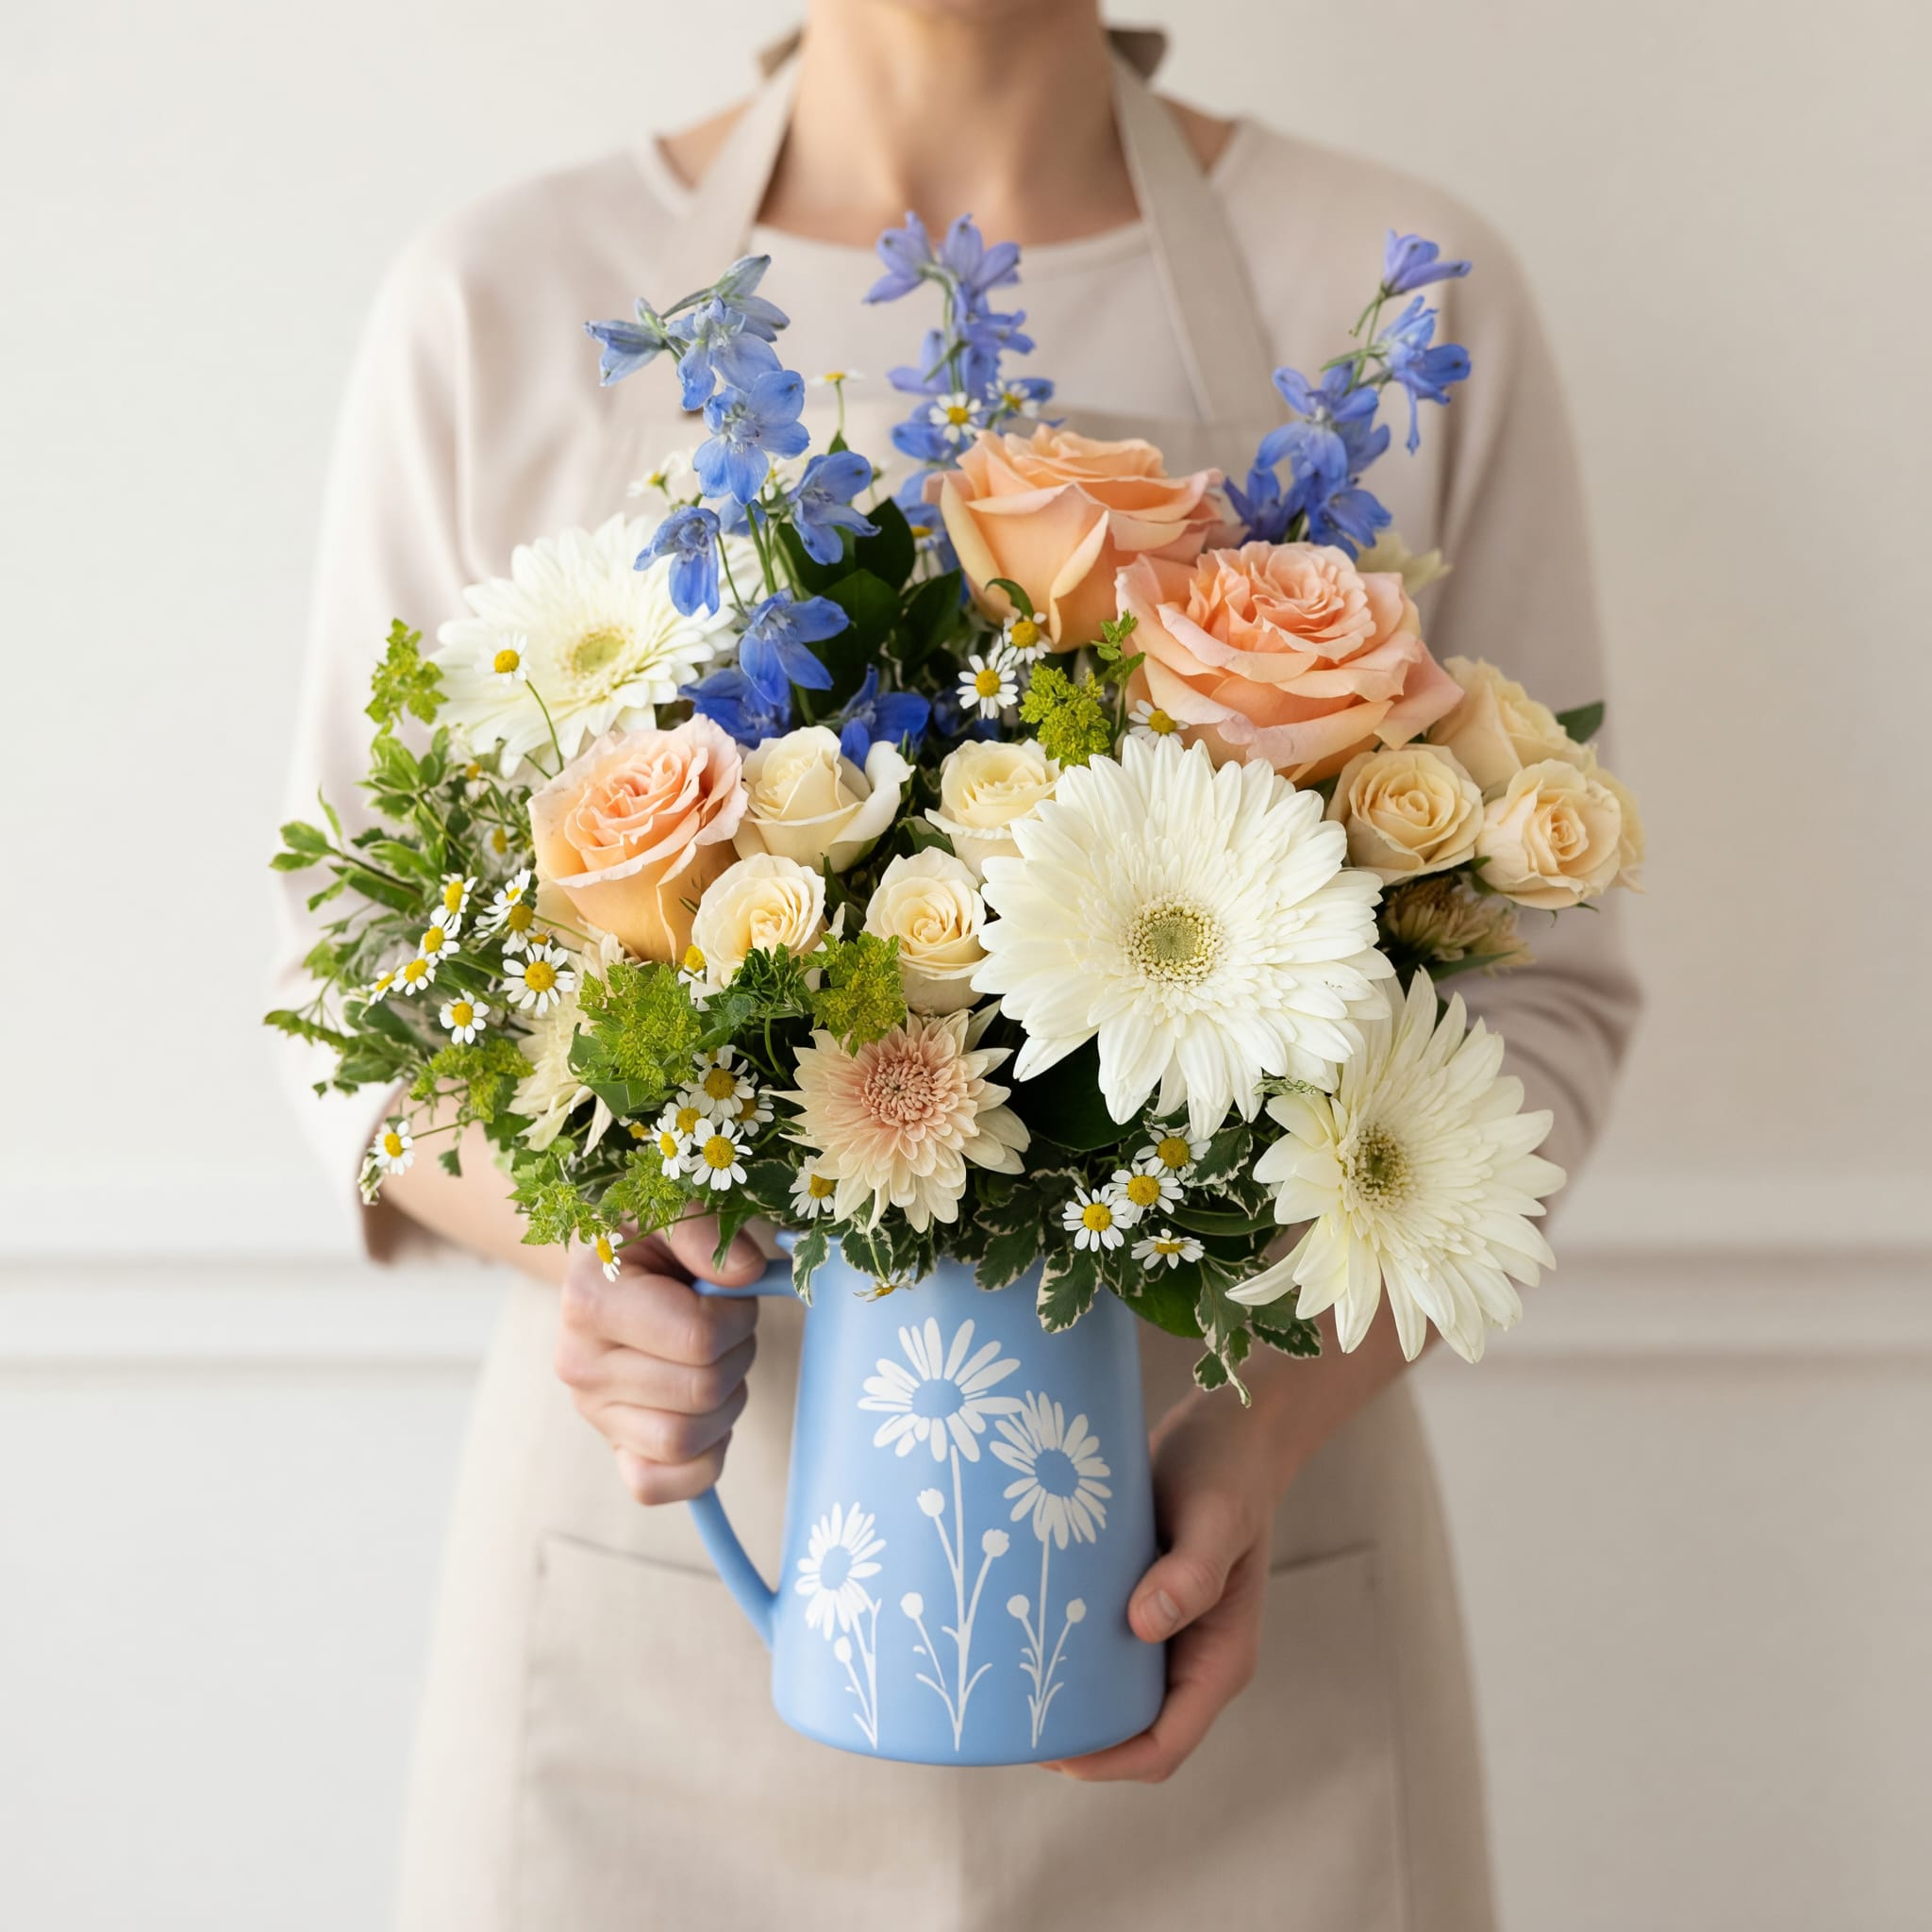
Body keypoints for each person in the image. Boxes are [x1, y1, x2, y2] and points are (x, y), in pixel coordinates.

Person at [273, 5, 1639, 1926]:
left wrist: (1269, 1422)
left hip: (1232, 1618)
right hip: (666, 1633)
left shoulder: (1402, 295)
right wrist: (598, 1244)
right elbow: (352, 994)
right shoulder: (501, 301)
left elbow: (1544, 1002)